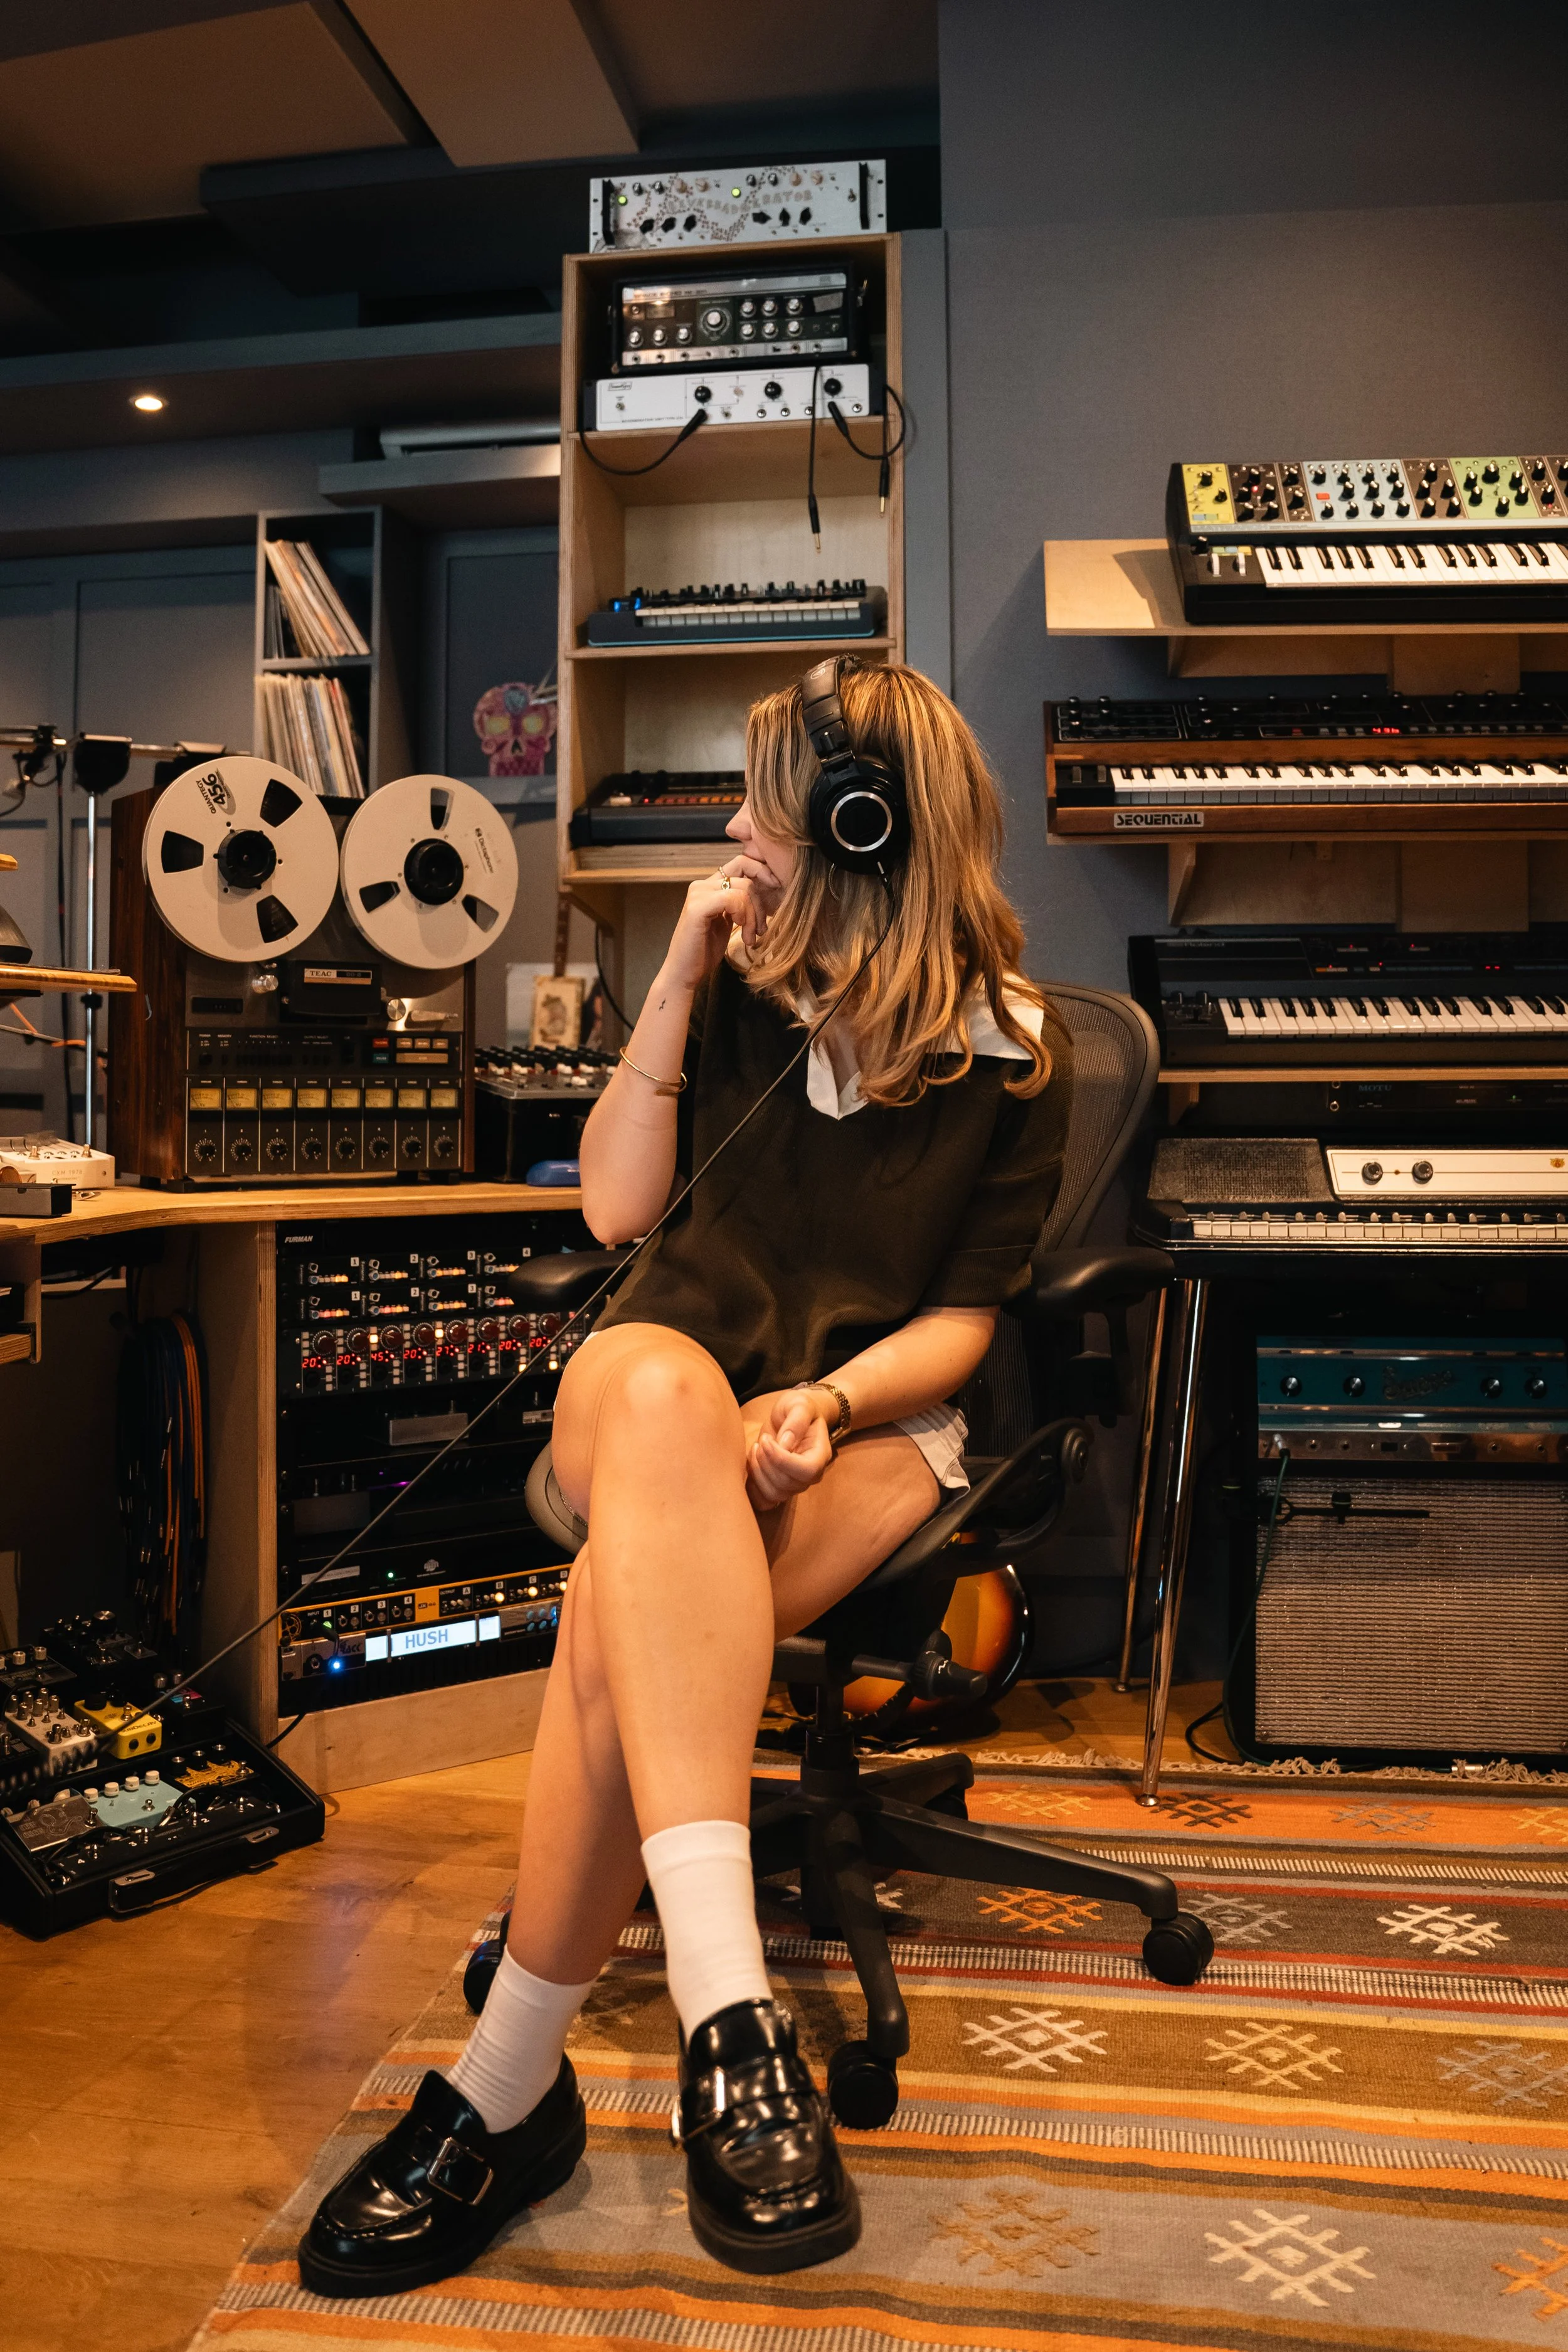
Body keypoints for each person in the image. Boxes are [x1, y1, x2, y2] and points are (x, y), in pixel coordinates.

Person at [300, 662, 1073, 2297]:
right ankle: (736, 2014)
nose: (728, 827)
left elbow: (962, 1317)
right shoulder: (730, 983)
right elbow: (609, 1212)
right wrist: (669, 975)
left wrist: (828, 1399)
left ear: (861, 830)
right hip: (656, 1387)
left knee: (615, 1618)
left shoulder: (1016, 1055)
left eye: (761, 804)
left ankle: (504, 2086)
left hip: (861, 1430)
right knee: (655, 1397)